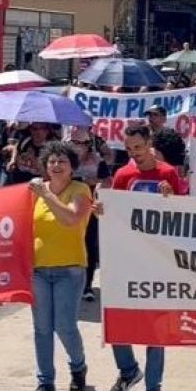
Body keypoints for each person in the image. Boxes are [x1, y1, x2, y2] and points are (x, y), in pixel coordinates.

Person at [107, 124, 186, 391]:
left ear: (149, 144)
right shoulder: (123, 176)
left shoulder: (168, 174)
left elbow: (184, 221)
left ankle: (155, 390)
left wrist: (172, 201)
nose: (134, 155)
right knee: (118, 320)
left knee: (156, 330)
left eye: (138, 148)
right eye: (128, 150)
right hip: (127, 260)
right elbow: (115, 215)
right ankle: (128, 372)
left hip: (159, 263)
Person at [26, 143, 94, 391]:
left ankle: (78, 366)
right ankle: (45, 381)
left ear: (71, 167)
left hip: (70, 269)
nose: (56, 166)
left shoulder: (80, 190)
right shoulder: (34, 191)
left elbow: (72, 220)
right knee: (42, 328)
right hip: (39, 269)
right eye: (52, 161)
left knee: (64, 326)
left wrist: (46, 195)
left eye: (62, 161)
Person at [66, 126, 111, 301]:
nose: (75, 146)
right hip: (68, 207)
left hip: (90, 209)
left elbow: (106, 181)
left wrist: (92, 183)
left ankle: (87, 285)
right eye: (72, 142)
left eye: (79, 143)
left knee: (89, 245)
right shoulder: (63, 160)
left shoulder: (97, 160)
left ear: (87, 145)